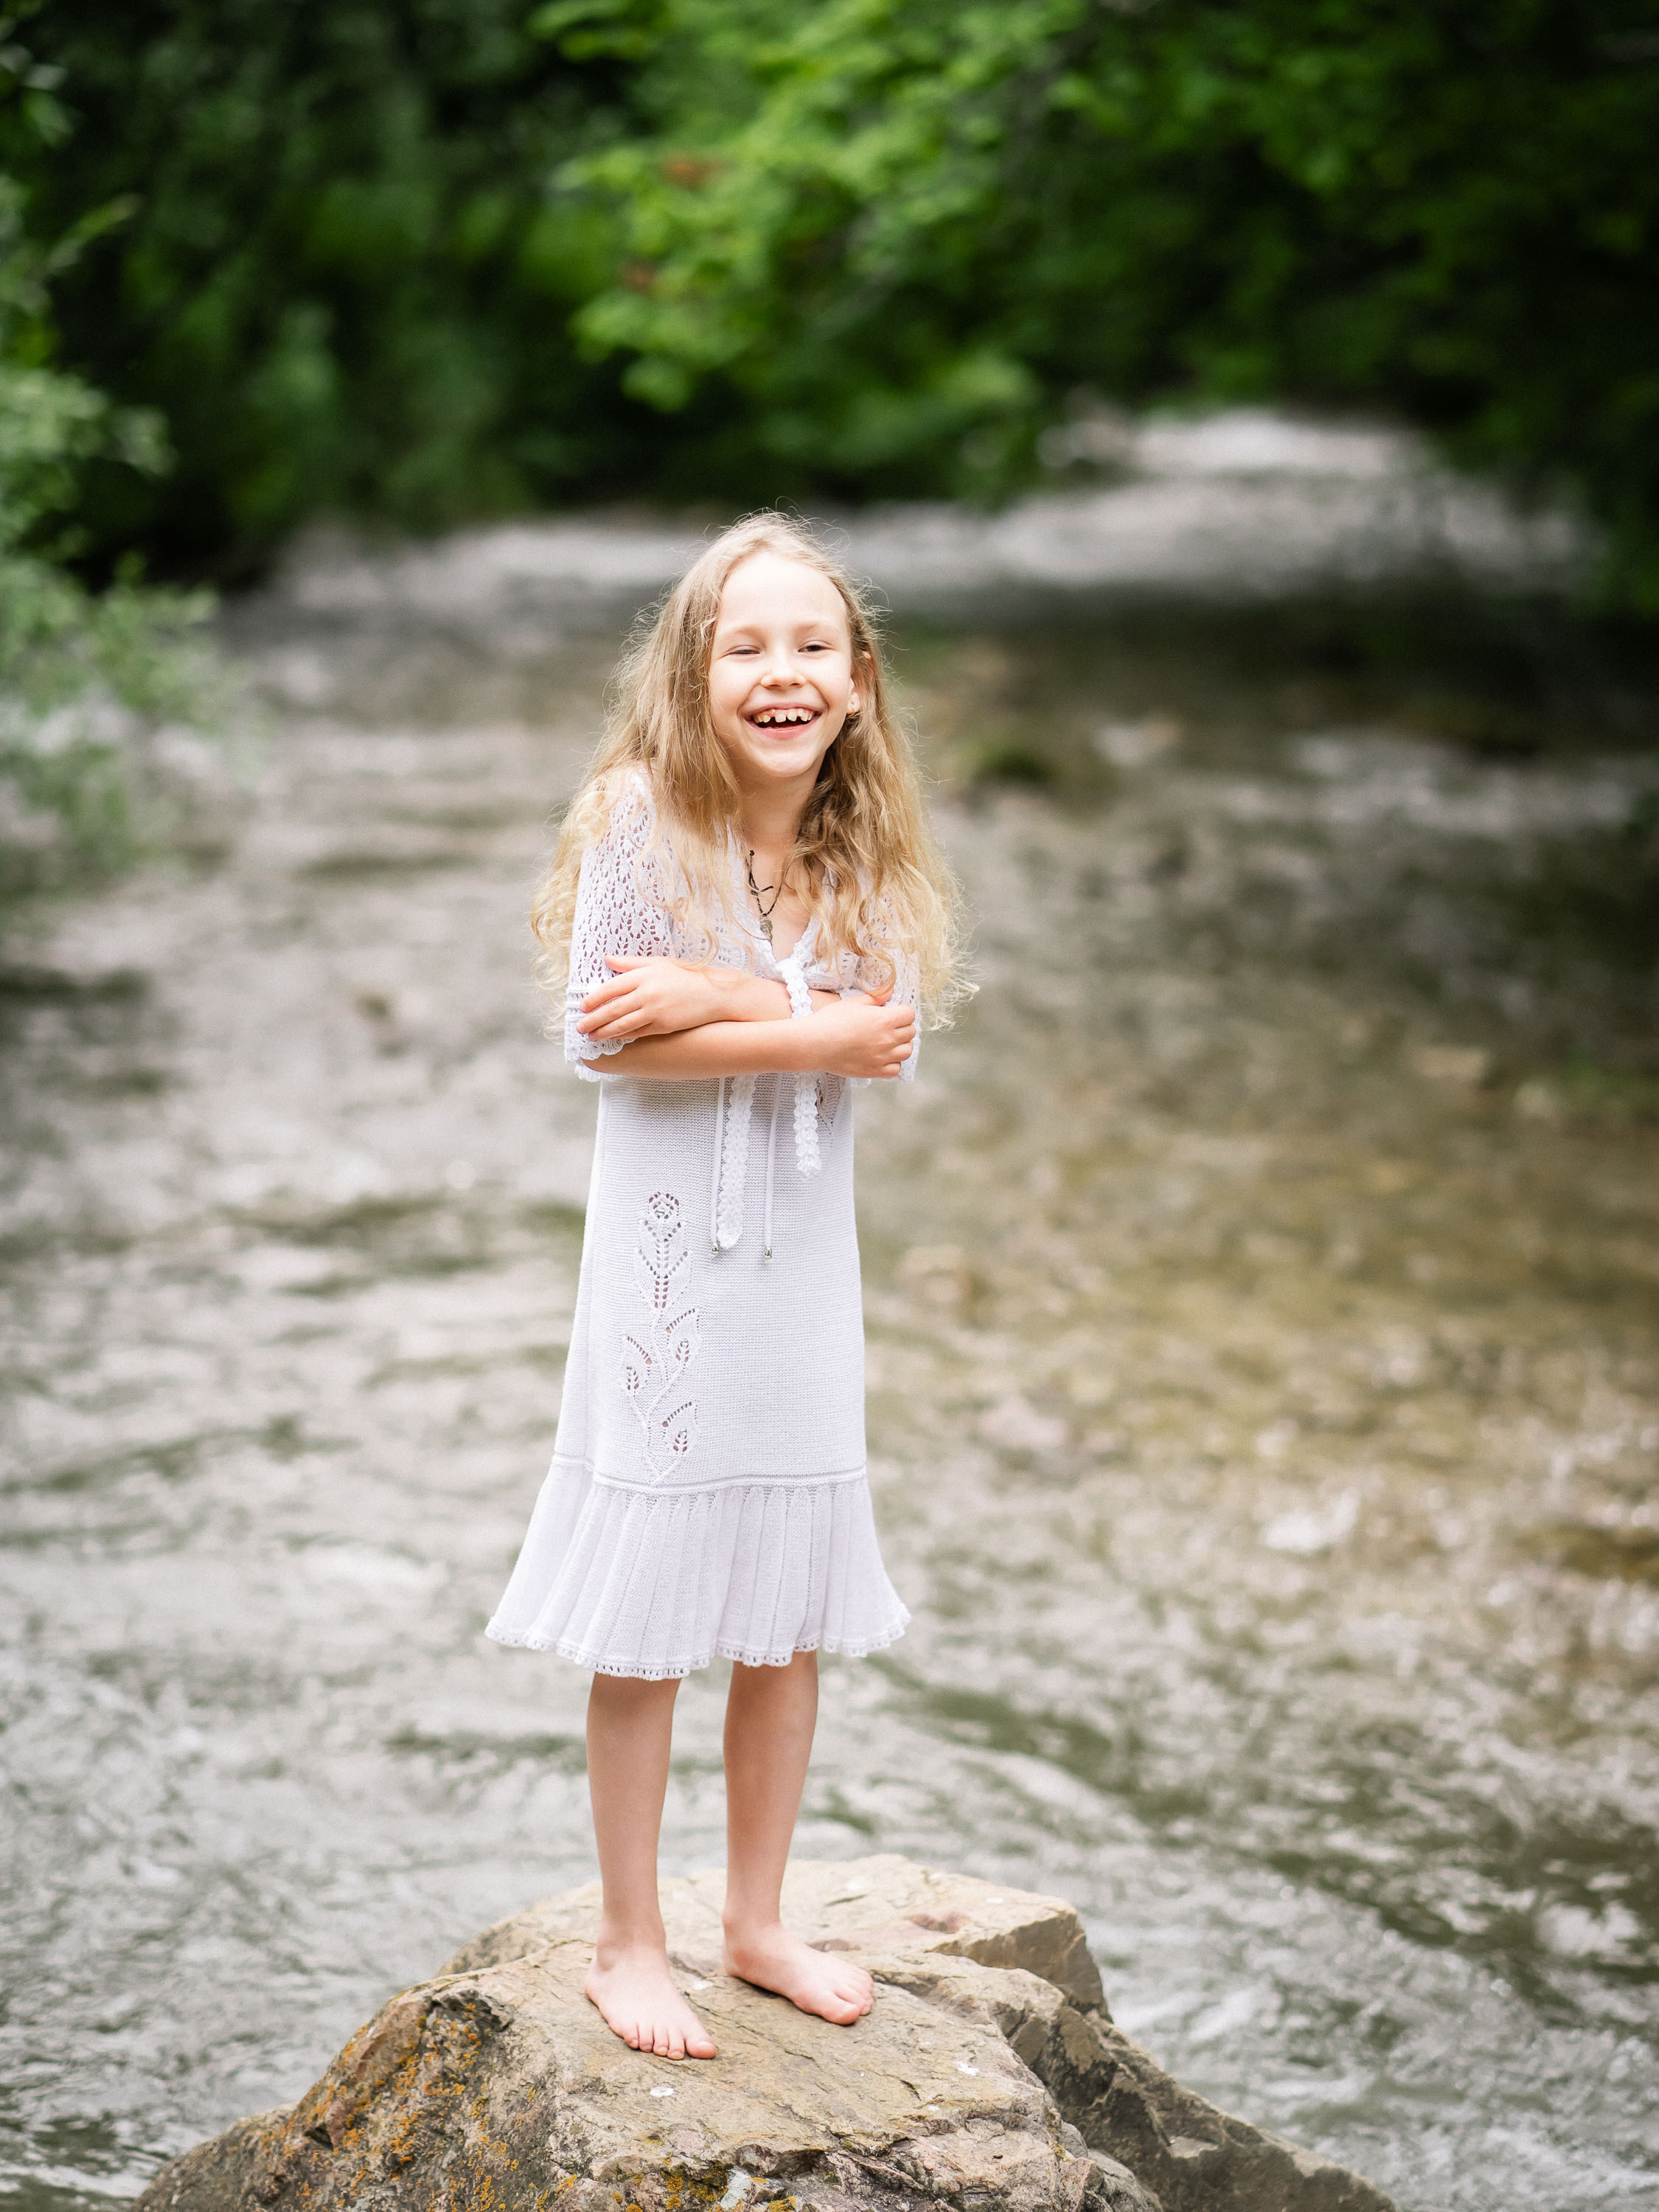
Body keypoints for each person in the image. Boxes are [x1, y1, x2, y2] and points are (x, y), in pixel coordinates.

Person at [486, 515, 964, 2062]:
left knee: (788, 1614)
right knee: (649, 1622)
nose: (782, 674)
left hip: (803, 1274)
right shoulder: (642, 816)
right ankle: (632, 1940)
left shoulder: (862, 841)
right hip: (672, 1269)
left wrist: (731, 996)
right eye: (745, 647)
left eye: (811, 646)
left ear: (857, 679)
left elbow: (888, 1030)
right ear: (693, 679)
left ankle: (755, 1920)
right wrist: (797, 1021)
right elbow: (603, 1041)